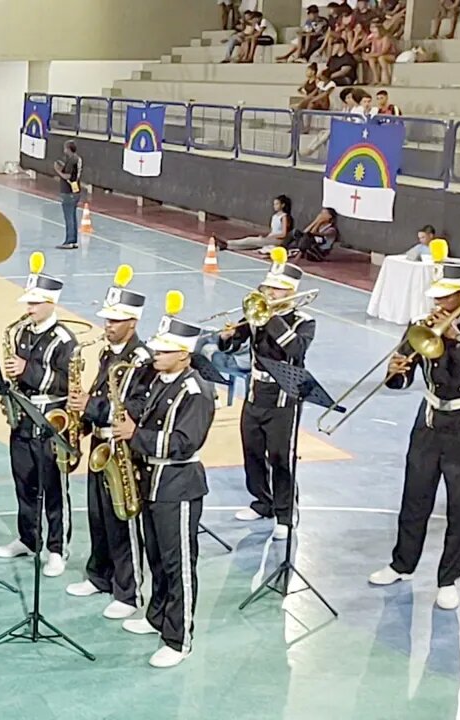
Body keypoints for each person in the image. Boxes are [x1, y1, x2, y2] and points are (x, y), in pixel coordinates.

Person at [368, 253, 460, 610]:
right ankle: (402, 564)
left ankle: (448, 578)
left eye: (445, 296)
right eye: (437, 296)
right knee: (414, 497)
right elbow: (401, 380)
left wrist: (457, 340)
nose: (437, 302)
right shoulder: (420, 324)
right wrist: (395, 372)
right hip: (427, 424)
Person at [117, 293, 215, 669]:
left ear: (184, 354)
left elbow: (183, 442)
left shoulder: (196, 391)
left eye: (163, 351)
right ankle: (157, 615)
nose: (154, 355)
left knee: (179, 564)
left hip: (178, 482)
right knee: (155, 555)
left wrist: (133, 434)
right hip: (151, 479)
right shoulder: (160, 380)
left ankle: (179, 637)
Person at [65, 267, 156, 621]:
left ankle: (128, 590)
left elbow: (132, 409)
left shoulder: (141, 360)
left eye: (116, 320)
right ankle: (99, 575)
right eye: (107, 318)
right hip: (100, 448)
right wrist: (81, 423)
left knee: (123, 521)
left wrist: (89, 406)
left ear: (132, 322)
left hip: (123, 452)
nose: (107, 325)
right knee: (98, 517)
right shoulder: (107, 353)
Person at [219, 250, 315, 540]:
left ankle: (285, 514)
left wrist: (271, 317)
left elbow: (295, 349)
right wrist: (227, 338)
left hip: (284, 397)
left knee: (280, 456)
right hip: (255, 393)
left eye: (274, 289)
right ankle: (262, 501)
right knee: (252, 449)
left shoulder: (303, 321)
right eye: (267, 287)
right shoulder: (255, 313)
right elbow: (236, 342)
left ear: (289, 292)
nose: (268, 292)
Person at [0, 258, 74, 577]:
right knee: (24, 482)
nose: (28, 308)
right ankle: (29, 538)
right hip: (24, 416)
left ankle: (57, 548)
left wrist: (28, 370)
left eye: (34, 303)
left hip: (52, 419)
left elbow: (68, 382)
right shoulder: (22, 332)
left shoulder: (65, 340)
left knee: (53, 487)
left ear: (50, 303)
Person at [213, 195, 293, 252]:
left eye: (277, 204)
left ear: (283, 205)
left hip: (277, 240)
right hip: (270, 238)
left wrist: (271, 236)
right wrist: (267, 236)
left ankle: (227, 242)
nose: (274, 206)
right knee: (251, 245)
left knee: (250, 240)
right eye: (274, 204)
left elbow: (283, 234)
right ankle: (227, 246)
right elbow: (273, 230)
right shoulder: (274, 216)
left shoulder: (284, 217)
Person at [54, 140, 84, 249]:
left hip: (69, 191)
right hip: (76, 191)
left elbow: (68, 176)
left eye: (65, 148)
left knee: (69, 217)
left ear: (68, 149)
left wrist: (58, 171)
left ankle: (69, 240)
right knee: (73, 216)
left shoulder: (72, 160)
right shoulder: (77, 159)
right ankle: (74, 240)